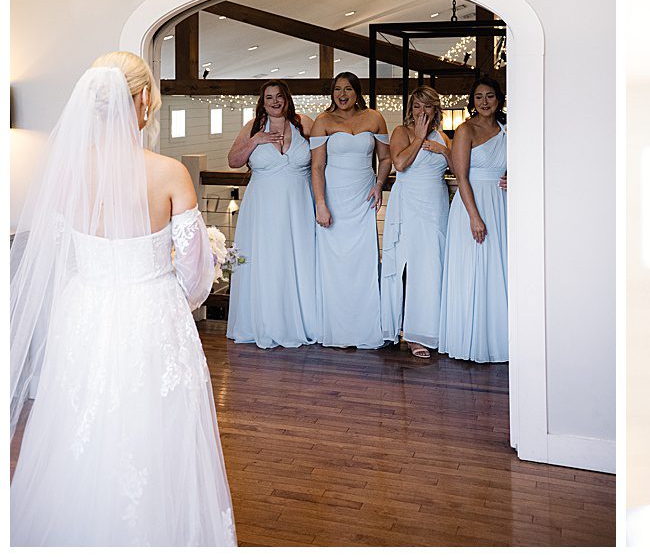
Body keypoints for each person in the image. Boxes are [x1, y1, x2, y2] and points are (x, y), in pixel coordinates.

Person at [10, 53, 236, 545]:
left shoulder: (65, 172)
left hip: (83, 311)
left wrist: (91, 285)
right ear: (143, 102)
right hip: (150, 314)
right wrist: (181, 297)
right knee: (152, 431)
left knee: (79, 424)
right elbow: (196, 273)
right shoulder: (169, 173)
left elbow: (57, 256)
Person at [226, 80, 321, 347]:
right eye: (269, 98)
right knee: (264, 261)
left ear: (287, 98)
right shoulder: (253, 126)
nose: (275, 101)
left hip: (299, 206)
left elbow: (323, 159)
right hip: (262, 209)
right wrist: (255, 141)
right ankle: (263, 322)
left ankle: (301, 322)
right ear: (263, 102)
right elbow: (233, 161)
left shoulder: (305, 124)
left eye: (279, 96)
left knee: (297, 258)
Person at [308, 70, 387, 349]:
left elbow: (385, 158)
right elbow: (317, 167)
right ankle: (336, 329)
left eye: (348, 90)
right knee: (336, 264)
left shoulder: (375, 118)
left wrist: (379, 185)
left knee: (363, 262)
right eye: (337, 90)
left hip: (364, 197)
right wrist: (320, 203)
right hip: (334, 199)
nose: (342, 95)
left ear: (357, 92)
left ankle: (365, 328)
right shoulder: (322, 121)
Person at [381, 82, 451, 359]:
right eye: (417, 105)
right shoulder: (402, 132)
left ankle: (431, 328)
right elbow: (399, 164)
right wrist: (419, 139)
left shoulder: (444, 137)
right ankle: (409, 333)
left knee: (433, 264)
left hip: (436, 204)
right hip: (408, 204)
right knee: (407, 266)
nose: (421, 110)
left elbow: (459, 170)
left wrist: (444, 150)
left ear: (436, 109)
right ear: (411, 109)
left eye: (427, 105)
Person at [441, 77, 509, 362]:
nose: (484, 102)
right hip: (472, 204)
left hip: (502, 204)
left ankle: (500, 338)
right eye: (479, 97)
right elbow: (461, 176)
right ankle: (469, 340)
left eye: (490, 96)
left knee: (498, 268)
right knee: (473, 267)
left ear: (499, 100)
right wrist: (474, 217)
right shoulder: (465, 130)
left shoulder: (510, 130)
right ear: (472, 101)